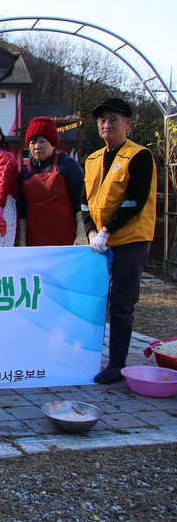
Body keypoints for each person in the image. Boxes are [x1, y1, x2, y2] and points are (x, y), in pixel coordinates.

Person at [82, 98, 156, 384]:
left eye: (114, 119)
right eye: (102, 120)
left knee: (122, 303)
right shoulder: (92, 159)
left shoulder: (139, 155)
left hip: (129, 240)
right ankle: (90, 355)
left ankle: (116, 365)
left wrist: (107, 230)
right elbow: (85, 203)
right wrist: (90, 230)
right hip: (98, 242)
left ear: (128, 122)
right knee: (96, 301)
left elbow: (134, 200)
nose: (107, 124)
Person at [17, 116, 85, 246]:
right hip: (35, 244)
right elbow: (22, 210)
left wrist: (82, 234)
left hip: (67, 242)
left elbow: (81, 201)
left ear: (53, 143)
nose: (37, 146)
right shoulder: (24, 173)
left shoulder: (68, 166)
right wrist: (22, 240)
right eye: (32, 142)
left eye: (42, 141)